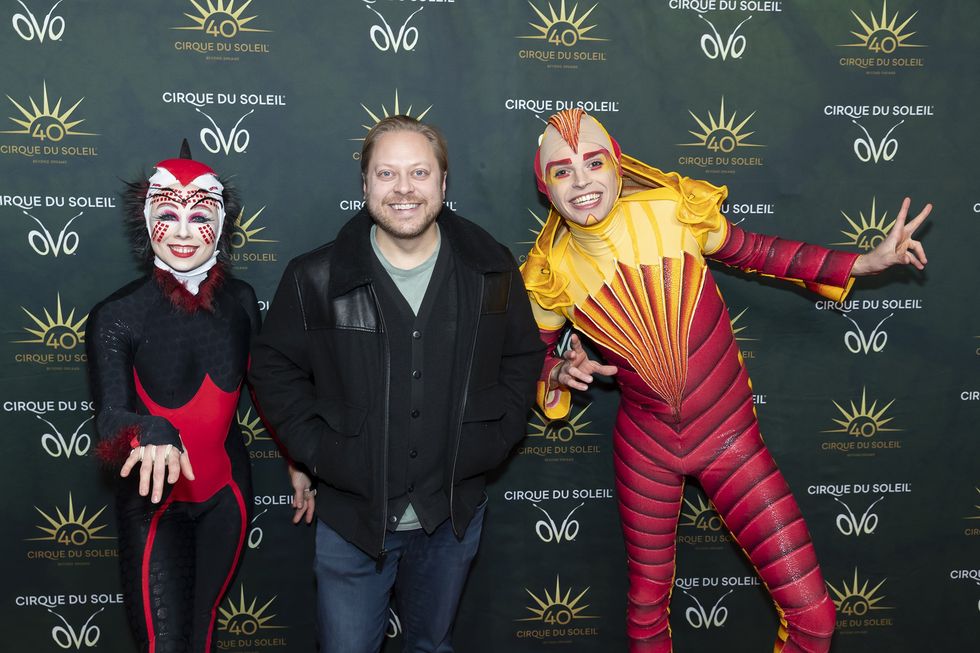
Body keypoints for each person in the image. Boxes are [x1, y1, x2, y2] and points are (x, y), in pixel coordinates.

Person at [521, 109, 931, 653]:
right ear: (546, 188)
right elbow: (533, 357)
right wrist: (558, 370)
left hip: (729, 439)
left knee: (814, 619)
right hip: (646, 449)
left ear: (617, 166)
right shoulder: (549, 271)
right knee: (646, 612)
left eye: (593, 162)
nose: (582, 181)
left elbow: (757, 252)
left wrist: (859, 264)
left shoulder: (673, 210)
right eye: (562, 171)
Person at [249, 115, 544, 653]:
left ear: (443, 183)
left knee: (432, 646)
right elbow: (273, 368)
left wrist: (491, 438)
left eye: (418, 172)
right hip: (351, 519)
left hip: (451, 516)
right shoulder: (313, 277)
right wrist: (319, 451)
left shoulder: (491, 269)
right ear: (364, 186)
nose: (404, 189)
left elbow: (522, 355)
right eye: (386, 174)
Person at [87, 142, 314, 652]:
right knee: (162, 644)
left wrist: (297, 460)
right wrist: (152, 429)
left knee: (203, 632)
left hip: (227, 494)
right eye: (169, 214)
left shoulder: (239, 302)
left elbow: (265, 388)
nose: (185, 231)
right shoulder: (117, 316)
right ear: (148, 224)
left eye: (200, 214)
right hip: (152, 504)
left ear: (222, 224)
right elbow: (109, 420)